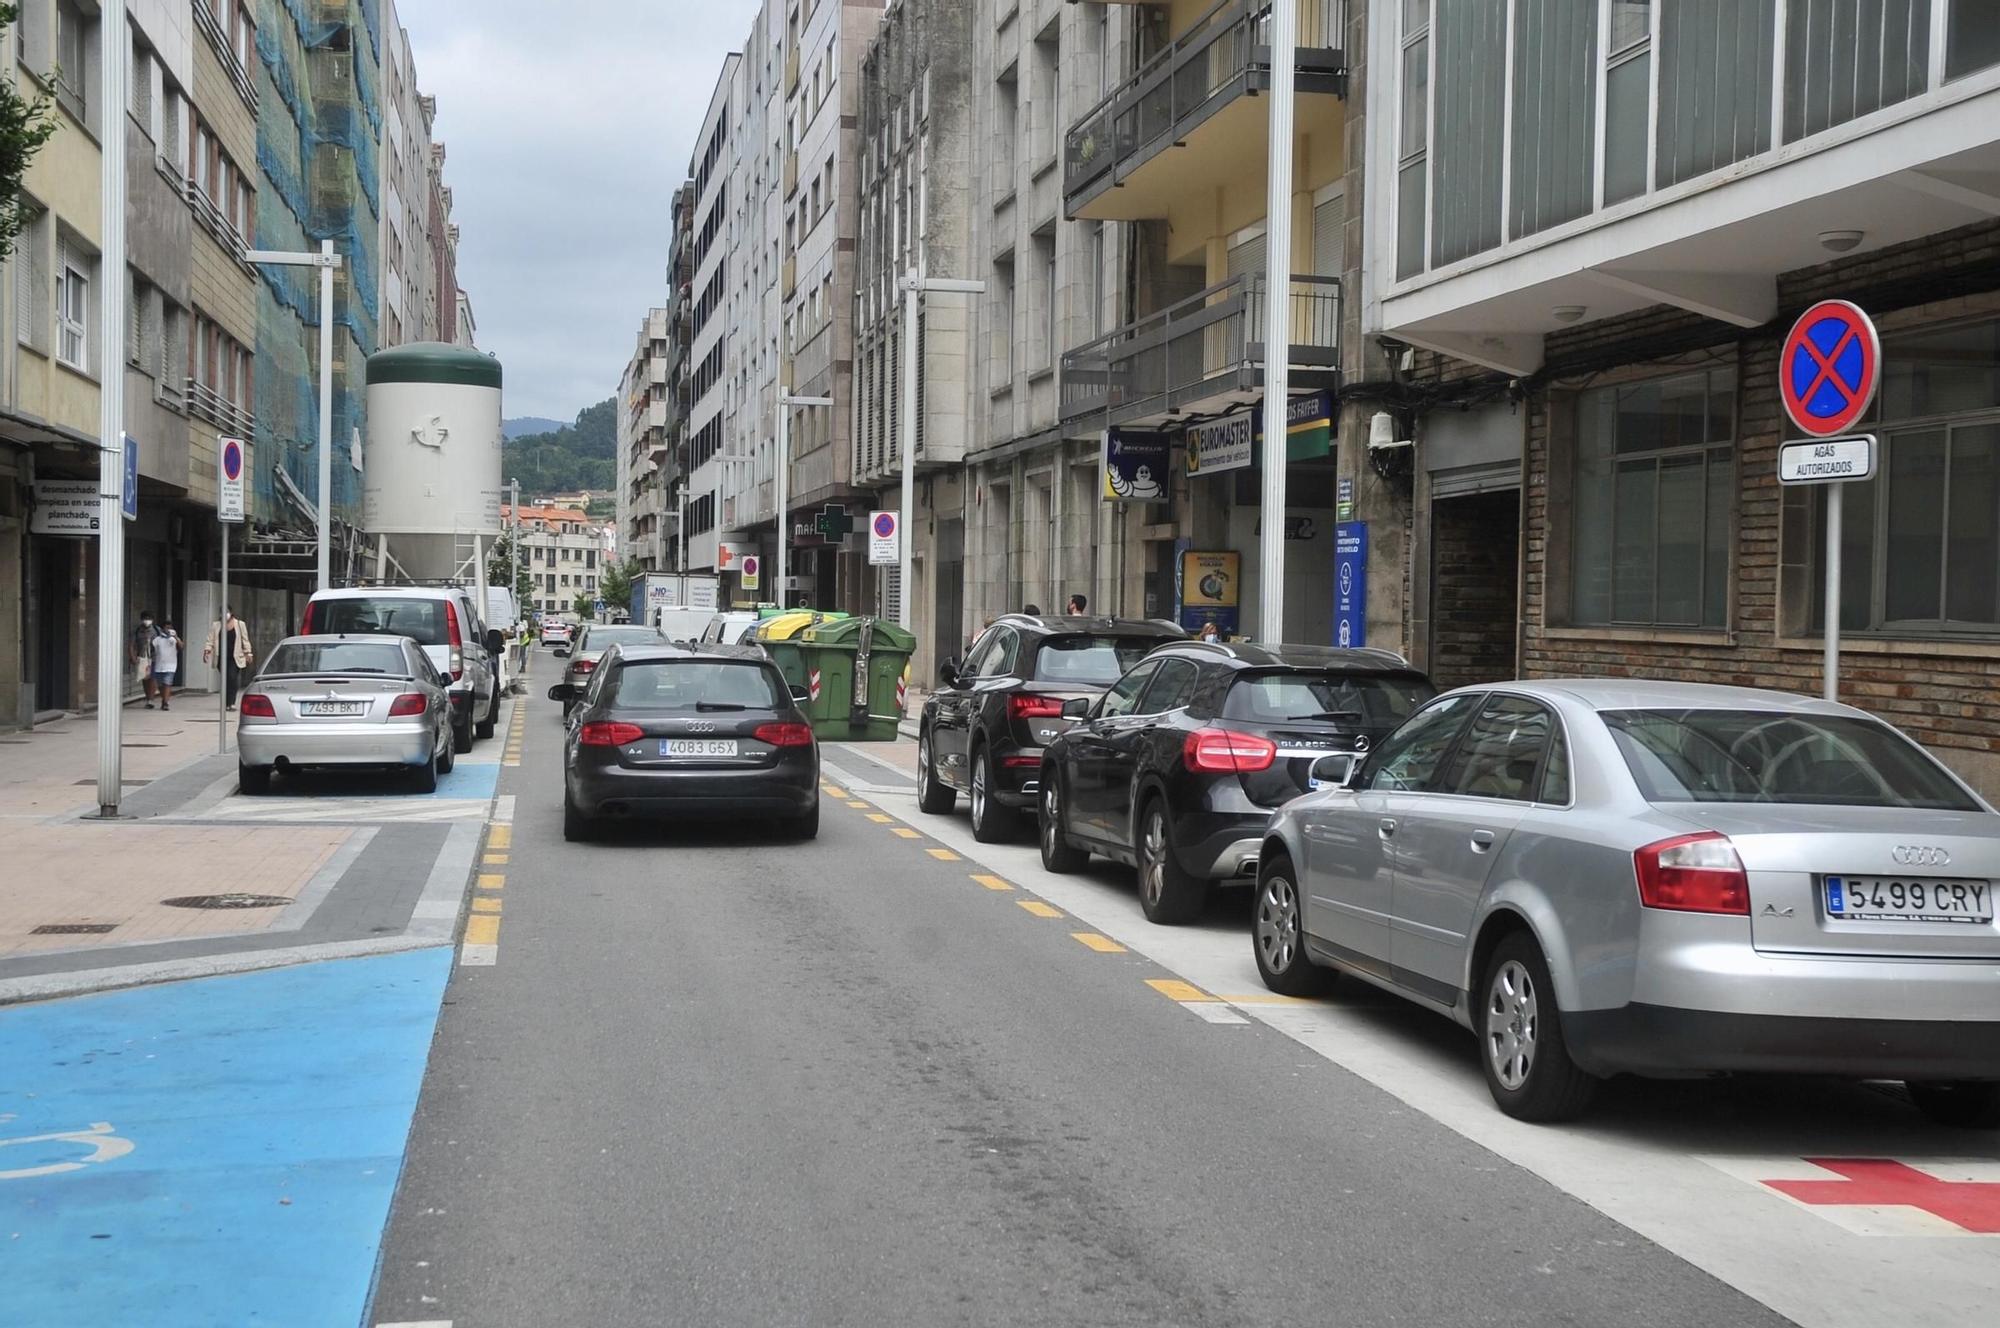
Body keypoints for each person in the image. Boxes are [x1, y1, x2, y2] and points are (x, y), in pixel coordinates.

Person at [204, 606, 254, 709]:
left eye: (226, 612)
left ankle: (232, 702)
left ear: (231, 613)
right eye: (222, 612)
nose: (224, 614)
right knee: (225, 679)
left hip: (235, 657)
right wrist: (207, 651)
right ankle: (226, 703)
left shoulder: (240, 624)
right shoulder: (216, 625)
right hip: (221, 657)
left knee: (232, 677)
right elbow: (210, 639)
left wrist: (248, 653)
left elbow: (245, 640)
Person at [149, 621, 182, 711]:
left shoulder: (173, 639)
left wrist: (175, 637)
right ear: (163, 628)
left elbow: (181, 646)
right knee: (160, 685)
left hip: (171, 665)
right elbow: (152, 648)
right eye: (167, 628)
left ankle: (166, 703)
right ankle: (164, 699)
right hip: (159, 665)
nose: (168, 630)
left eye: (170, 628)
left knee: (167, 683)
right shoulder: (157, 640)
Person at [131, 610, 160, 707]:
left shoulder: (157, 630)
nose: (146, 620)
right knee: (144, 677)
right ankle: (148, 697)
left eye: (149, 618)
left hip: (154, 656)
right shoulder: (137, 631)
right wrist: (133, 657)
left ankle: (151, 700)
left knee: (152, 677)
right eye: (145, 618)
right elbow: (132, 645)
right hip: (142, 657)